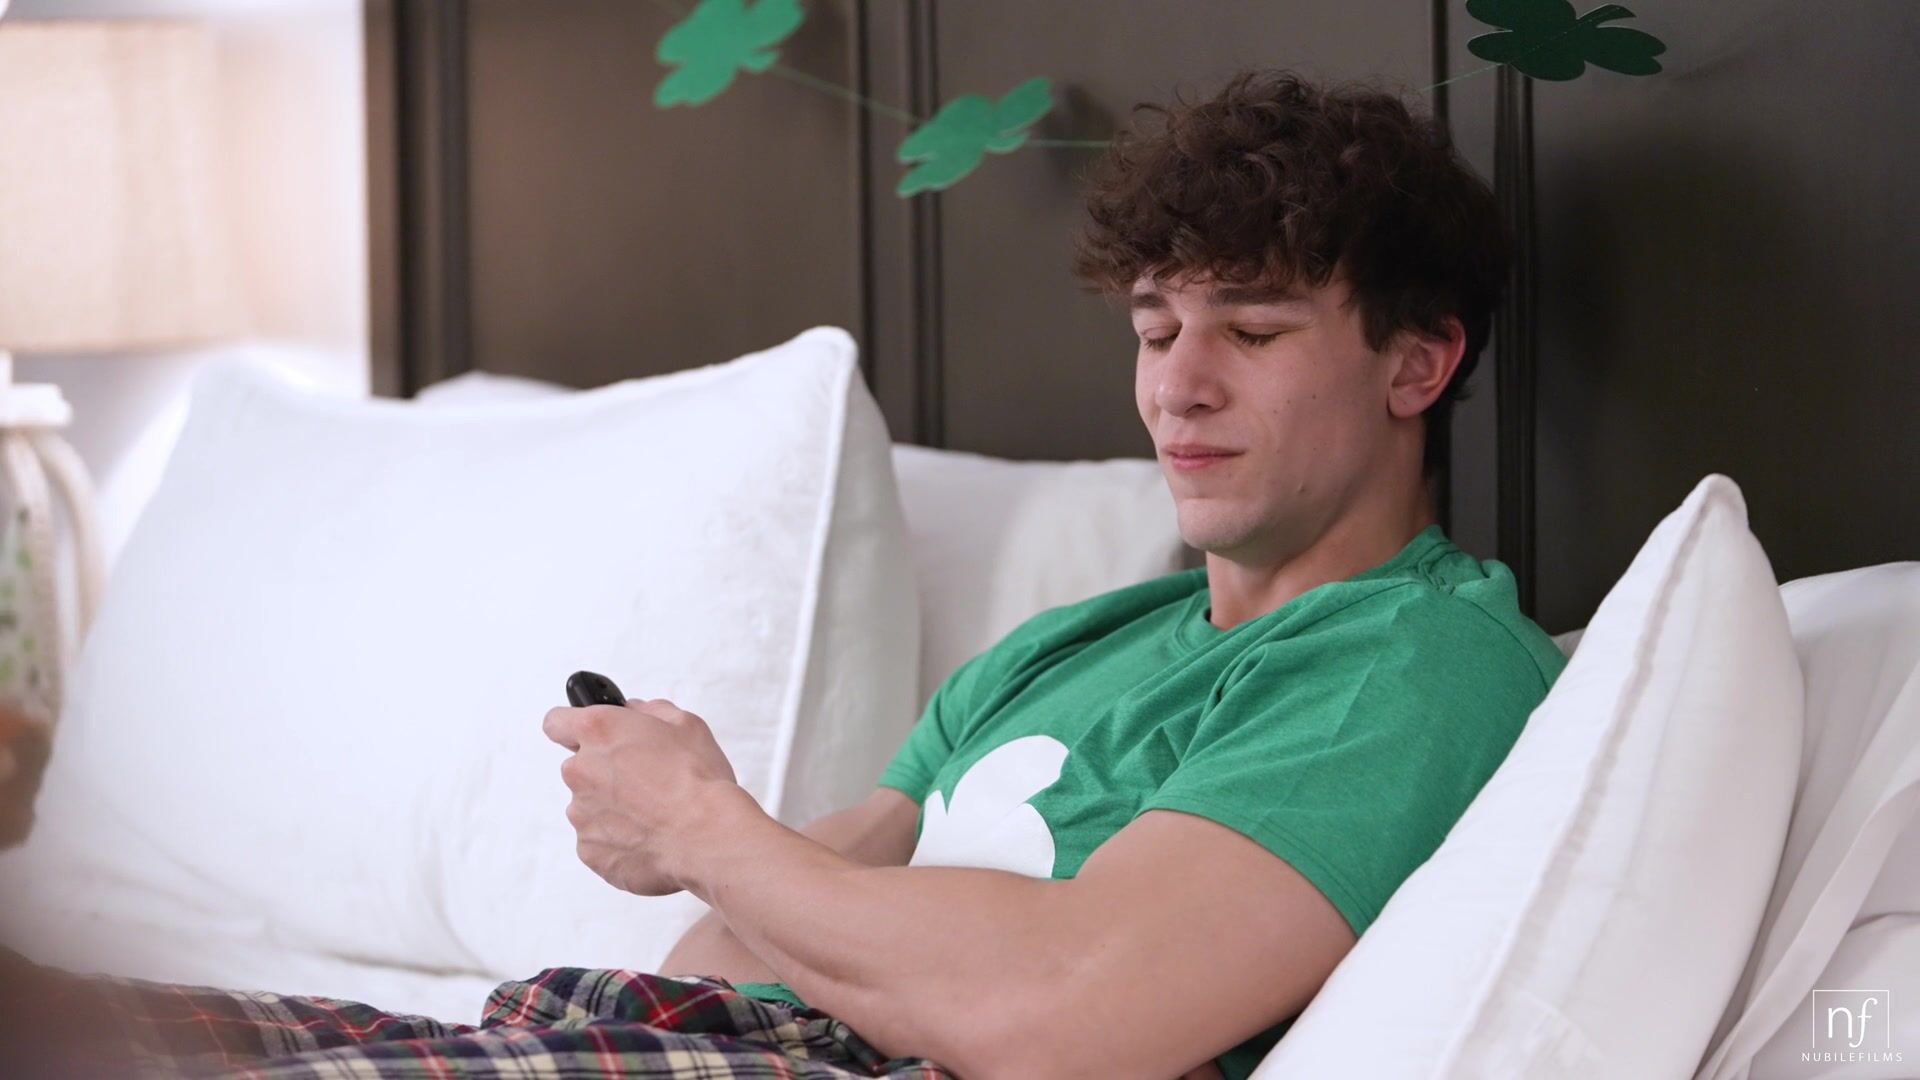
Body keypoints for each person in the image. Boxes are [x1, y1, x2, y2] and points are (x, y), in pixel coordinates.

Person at [0, 69, 1566, 1080]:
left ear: (1417, 363)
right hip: (667, 1034)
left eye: (1256, 330)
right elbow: (724, 947)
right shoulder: (1072, 645)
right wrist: (770, 880)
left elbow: (1068, 1010)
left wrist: (708, 828)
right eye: (1157, 331)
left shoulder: (1413, 658)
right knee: (79, 1028)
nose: (1179, 387)